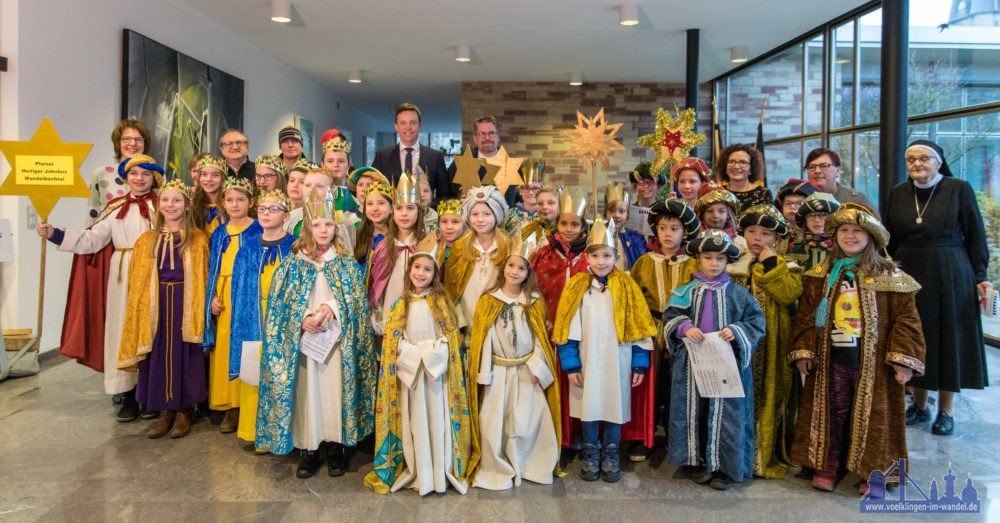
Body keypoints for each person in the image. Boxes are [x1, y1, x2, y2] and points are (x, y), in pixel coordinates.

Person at [789, 203, 926, 497]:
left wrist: (903, 360)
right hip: (831, 360)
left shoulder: (891, 276)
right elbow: (806, 314)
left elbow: (907, 320)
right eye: (844, 231)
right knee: (831, 413)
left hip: (875, 363)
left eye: (857, 231)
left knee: (875, 416)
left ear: (871, 236)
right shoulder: (821, 274)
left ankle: (873, 471)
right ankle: (826, 465)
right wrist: (804, 349)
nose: (850, 236)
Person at [255, 188, 376, 477]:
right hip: (305, 346)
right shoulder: (293, 265)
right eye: (317, 225)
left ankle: (336, 447)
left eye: (328, 225)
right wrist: (302, 318)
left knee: (333, 392)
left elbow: (357, 304)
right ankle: (309, 450)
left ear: (336, 228)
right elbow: (279, 307)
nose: (323, 230)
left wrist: (334, 308)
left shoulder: (346, 265)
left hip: (336, 344)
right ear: (307, 227)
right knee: (308, 394)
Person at [39, 154, 162, 421]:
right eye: (134, 173)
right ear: (125, 177)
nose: (139, 178)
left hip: (153, 272)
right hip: (122, 274)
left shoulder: (163, 206)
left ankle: (149, 393)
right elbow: (93, 240)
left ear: (155, 178)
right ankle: (127, 394)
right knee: (121, 331)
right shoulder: (115, 207)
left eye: (146, 174)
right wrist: (55, 234)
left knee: (151, 329)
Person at [884, 139, 991, 437]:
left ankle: (946, 410)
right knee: (914, 336)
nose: (917, 164)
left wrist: (980, 275)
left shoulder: (959, 189)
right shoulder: (898, 193)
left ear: (938, 161)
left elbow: (975, 235)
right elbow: (889, 239)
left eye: (924, 158)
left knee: (947, 340)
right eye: (911, 159)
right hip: (909, 272)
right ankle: (919, 405)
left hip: (950, 272)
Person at [364, 235, 476, 495]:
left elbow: (448, 341)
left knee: (437, 424)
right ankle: (417, 470)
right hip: (410, 377)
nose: (421, 273)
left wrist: (427, 355)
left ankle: (439, 471)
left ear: (435, 273)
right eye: (417, 267)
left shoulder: (443, 303)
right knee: (414, 424)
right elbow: (394, 343)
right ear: (409, 270)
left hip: (436, 379)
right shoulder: (398, 305)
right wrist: (411, 354)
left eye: (427, 269)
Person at [553, 217, 656, 482]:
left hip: (618, 359)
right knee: (588, 406)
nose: (601, 261)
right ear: (587, 258)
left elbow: (639, 325)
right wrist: (571, 363)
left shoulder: (627, 286)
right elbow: (567, 327)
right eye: (596, 255)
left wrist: (639, 362)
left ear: (616, 256)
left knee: (613, 404)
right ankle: (591, 452)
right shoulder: (576, 286)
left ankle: (611, 453)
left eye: (607, 255)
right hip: (586, 360)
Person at [662, 230, 766, 490]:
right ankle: (694, 459)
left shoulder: (739, 293)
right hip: (691, 364)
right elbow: (670, 317)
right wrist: (684, 327)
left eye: (720, 258)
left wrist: (737, 330)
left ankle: (723, 467)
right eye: (708, 257)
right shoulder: (685, 291)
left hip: (726, 364)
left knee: (726, 413)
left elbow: (756, 322)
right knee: (691, 410)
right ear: (698, 258)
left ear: (727, 261)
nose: (713, 263)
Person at [468, 235, 561, 490]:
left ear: (528, 272)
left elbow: (541, 338)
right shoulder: (489, 300)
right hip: (498, 371)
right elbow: (483, 339)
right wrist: (484, 373)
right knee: (493, 421)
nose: (515, 272)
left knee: (527, 420)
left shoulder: (533, 301)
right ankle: (496, 465)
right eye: (511, 266)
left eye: (521, 268)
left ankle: (531, 464)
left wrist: (537, 367)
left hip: (526, 370)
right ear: (504, 267)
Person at [118, 179, 207, 439]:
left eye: (177, 200)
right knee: (159, 354)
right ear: (159, 205)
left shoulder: (198, 237)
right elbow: (139, 279)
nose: (171, 205)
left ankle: (183, 410)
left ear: (187, 206)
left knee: (184, 353)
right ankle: (164, 411)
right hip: (156, 305)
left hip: (185, 300)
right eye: (165, 200)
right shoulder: (146, 240)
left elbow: (202, 274)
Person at [729, 204, 802, 479]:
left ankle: (763, 458)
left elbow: (787, 295)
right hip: (738, 344)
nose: (758, 238)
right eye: (751, 231)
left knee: (770, 397)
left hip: (773, 345)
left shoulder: (788, 266)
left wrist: (770, 264)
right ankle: (737, 456)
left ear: (777, 238)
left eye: (766, 233)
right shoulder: (734, 263)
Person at [626, 199, 701, 462]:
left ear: (685, 232)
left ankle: (676, 438)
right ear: (655, 231)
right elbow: (632, 297)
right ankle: (642, 438)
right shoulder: (644, 262)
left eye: (674, 229)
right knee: (647, 387)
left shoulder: (694, 264)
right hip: (650, 329)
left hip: (684, 333)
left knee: (677, 388)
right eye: (663, 228)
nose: (667, 234)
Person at [228, 189, 295, 448]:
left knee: (281, 375)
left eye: (273, 209)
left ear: (286, 215)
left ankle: (282, 433)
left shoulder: (294, 246)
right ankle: (256, 432)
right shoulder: (248, 248)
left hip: (282, 318)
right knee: (255, 371)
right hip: (253, 316)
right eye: (262, 210)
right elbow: (239, 287)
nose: (266, 214)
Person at [204, 177, 262, 434]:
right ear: (223, 203)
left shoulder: (258, 229)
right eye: (230, 200)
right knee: (225, 347)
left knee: (246, 345)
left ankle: (246, 404)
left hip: (248, 295)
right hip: (225, 295)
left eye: (241, 199)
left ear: (251, 202)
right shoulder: (219, 233)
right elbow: (213, 269)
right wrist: (212, 298)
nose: (235, 204)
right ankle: (229, 405)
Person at [444, 186, 512, 342]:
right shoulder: (461, 247)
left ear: (497, 214)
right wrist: (459, 325)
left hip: (498, 322)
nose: (480, 219)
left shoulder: (507, 246)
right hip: (467, 321)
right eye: (474, 214)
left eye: (487, 214)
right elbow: (452, 288)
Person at [369, 173, 426, 335]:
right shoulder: (383, 247)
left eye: (410, 208)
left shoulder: (427, 245)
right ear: (392, 212)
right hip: (389, 316)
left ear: (418, 211)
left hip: (419, 321)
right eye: (399, 208)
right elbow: (376, 288)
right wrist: (378, 319)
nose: (404, 214)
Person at [371, 103, 452, 202]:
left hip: (426, 216)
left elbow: (445, 195)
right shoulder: (382, 157)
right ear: (396, 127)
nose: (408, 127)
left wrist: (430, 202)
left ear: (420, 126)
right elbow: (374, 192)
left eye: (413, 122)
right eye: (403, 123)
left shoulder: (436, 157)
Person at [531, 190, 590, 327]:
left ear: (582, 228)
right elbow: (533, 287)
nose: (568, 229)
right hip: (550, 320)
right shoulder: (545, 254)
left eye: (574, 225)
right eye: (563, 224)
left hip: (581, 323)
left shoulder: (590, 255)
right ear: (557, 225)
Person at [446, 116, 520, 206]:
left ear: (498, 137)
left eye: (491, 133)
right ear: (475, 138)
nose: (487, 138)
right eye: (482, 134)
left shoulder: (512, 166)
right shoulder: (459, 165)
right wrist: (458, 203)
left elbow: (519, 201)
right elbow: (447, 197)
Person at [86, 119, 149, 225]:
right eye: (126, 139)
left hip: (146, 239)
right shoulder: (101, 175)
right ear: (118, 143)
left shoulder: (156, 174)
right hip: (108, 239)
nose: (133, 143)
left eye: (138, 139)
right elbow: (92, 216)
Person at [803, 147, 874, 209]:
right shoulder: (800, 198)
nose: (817, 171)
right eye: (811, 167)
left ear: (838, 170)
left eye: (823, 166)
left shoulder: (856, 200)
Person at [789, 192, 840, 271]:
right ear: (805, 221)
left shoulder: (843, 248)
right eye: (811, 215)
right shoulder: (795, 249)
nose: (816, 220)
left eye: (823, 215)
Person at [717, 144, 772, 213]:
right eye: (732, 161)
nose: (736, 166)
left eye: (742, 162)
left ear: (751, 168)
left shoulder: (763, 194)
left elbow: (768, 222)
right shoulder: (718, 193)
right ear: (725, 166)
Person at [604, 182, 646, 271]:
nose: (616, 215)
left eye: (621, 211)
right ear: (605, 213)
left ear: (627, 214)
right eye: (612, 211)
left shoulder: (636, 239)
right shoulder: (600, 238)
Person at [624, 161, 666, 239]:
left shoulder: (665, 211)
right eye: (641, 182)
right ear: (635, 186)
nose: (646, 186)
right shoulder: (628, 212)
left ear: (658, 186)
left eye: (651, 182)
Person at [191, 155, 228, 237]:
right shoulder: (191, 204)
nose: (208, 179)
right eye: (204, 174)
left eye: (215, 175)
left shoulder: (230, 205)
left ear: (223, 179)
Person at [435, 199, 464, 275]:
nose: (449, 227)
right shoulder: (434, 247)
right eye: (444, 221)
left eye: (455, 222)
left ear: (464, 224)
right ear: (438, 223)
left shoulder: (467, 249)